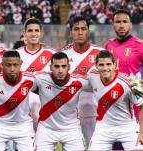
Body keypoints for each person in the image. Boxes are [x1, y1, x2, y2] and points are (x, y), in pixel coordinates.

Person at [61, 15, 104, 145]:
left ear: (88, 31)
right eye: (76, 29)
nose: (80, 32)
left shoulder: (100, 53)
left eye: (83, 29)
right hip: (69, 115)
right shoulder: (63, 55)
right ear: (71, 32)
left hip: (95, 112)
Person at [88, 51, 143, 150]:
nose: (105, 68)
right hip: (103, 127)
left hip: (127, 127)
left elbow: (141, 105)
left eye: (108, 64)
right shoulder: (92, 75)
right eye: (101, 65)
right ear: (96, 65)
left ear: (114, 65)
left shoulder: (128, 83)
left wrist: (142, 133)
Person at [104, 9, 143, 149]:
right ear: (113, 25)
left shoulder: (140, 45)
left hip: (136, 109)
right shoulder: (108, 46)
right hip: (114, 109)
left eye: (125, 22)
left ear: (131, 25)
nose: (121, 25)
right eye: (118, 22)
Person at [34, 52, 86, 151]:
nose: (60, 70)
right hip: (46, 128)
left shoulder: (80, 81)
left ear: (69, 67)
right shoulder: (40, 78)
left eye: (63, 66)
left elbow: (100, 83)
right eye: (56, 66)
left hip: (71, 128)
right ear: (50, 67)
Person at [0, 51, 35, 151]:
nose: (12, 69)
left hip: (24, 126)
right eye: (8, 65)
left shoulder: (31, 78)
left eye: (15, 65)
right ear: (2, 65)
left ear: (20, 64)